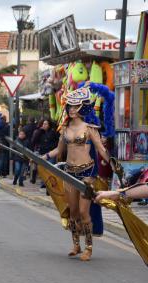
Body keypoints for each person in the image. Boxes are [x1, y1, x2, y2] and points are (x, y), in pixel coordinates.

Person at [43, 85, 112, 262]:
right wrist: (41, 157)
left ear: (82, 108)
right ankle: (76, 244)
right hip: (69, 173)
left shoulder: (89, 128)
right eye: (70, 106)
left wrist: (114, 163)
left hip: (87, 172)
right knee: (73, 212)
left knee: (83, 211)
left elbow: (101, 149)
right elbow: (57, 150)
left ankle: (88, 247)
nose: (72, 110)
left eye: (76, 106)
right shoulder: (64, 129)